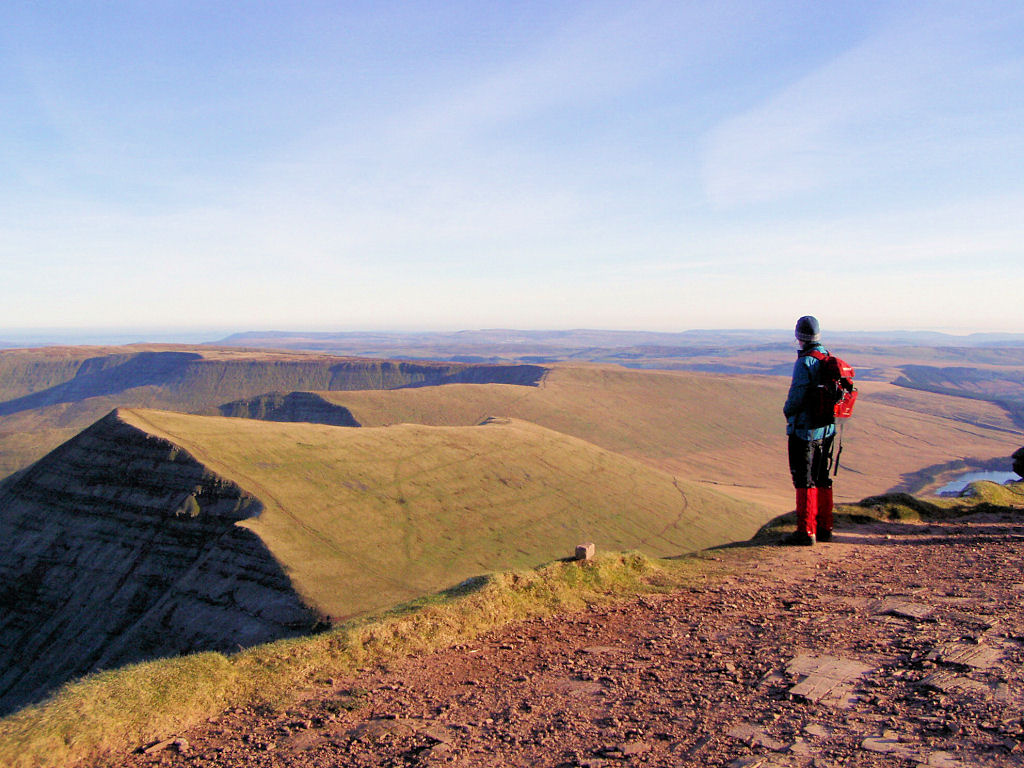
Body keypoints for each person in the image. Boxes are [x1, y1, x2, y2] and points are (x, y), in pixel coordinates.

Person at [782, 315, 836, 545]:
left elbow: (796, 397)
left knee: (804, 478)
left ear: (799, 336)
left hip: (804, 429)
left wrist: (787, 412)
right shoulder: (827, 357)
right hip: (827, 429)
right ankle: (825, 527)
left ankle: (805, 531)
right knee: (822, 476)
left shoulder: (805, 362)